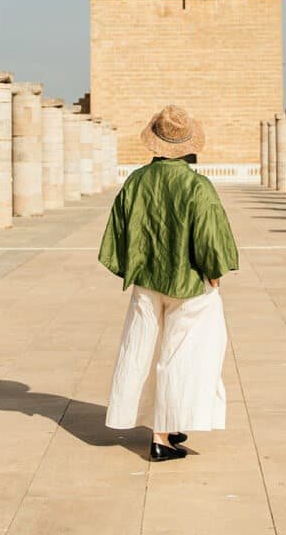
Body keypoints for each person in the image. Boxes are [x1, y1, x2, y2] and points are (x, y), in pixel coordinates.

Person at [99, 104, 240, 462]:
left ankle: (165, 422)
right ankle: (162, 437)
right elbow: (212, 239)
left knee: (143, 350)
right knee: (186, 356)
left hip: (147, 282)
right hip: (189, 284)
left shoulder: (136, 182)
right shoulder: (197, 187)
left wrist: (137, 267)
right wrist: (214, 274)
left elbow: (118, 234)